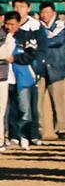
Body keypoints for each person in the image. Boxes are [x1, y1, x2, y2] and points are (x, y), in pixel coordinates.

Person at [10, 0, 44, 144]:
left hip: (29, 70)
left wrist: (38, 67)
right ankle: (15, 135)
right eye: (16, 7)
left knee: (30, 104)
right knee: (13, 105)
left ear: (28, 8)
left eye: (22, 7)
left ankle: (33, 134)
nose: (19, 10)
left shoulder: (35, 26)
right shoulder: (9, 27)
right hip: (11, 72)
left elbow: (41, 48)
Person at [3, 12, 37, 149]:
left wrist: (15, 59)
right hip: (6, 78)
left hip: (23, 78)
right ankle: (11, 137)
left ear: (18, 23)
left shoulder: (26, 36)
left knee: (24, 109)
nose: (9, 27)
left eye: (12, 24)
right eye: (7, 24)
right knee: (7, 110)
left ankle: (24, 135)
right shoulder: (2, 36)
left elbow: (31, 55)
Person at [37, 2, 65, 140]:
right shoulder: (36, 25)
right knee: (37, 102)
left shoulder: (61, 25)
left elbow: (59, 40)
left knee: (58, 101)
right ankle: (38, 130)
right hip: (39, 67)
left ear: (53, 12)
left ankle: (61, 129)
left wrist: (41, 41)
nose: (45, 15)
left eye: (47, 12)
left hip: (56, 67)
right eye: (42, 12)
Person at [0, 20, 14, 148]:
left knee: (1, 111)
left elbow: (7, 52)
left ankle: (0, 140)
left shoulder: (7, 34)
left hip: (1, 76)